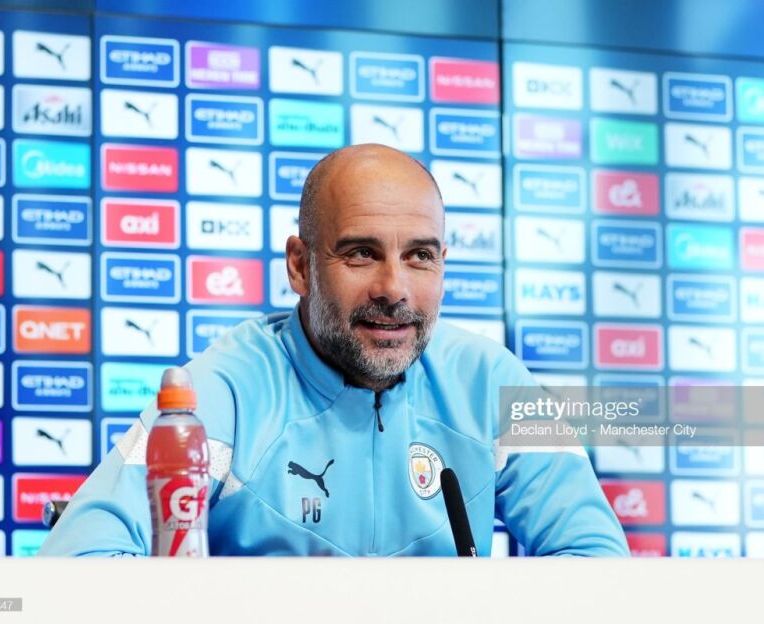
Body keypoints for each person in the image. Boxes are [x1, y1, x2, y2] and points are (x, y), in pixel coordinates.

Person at [40, 144, 629, 556]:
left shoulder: (491, 381)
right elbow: (80, 560)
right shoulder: (223, 390)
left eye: (420, 256)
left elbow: (596, 560)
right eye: (361, 254)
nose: (394, 289)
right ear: (300, 266)